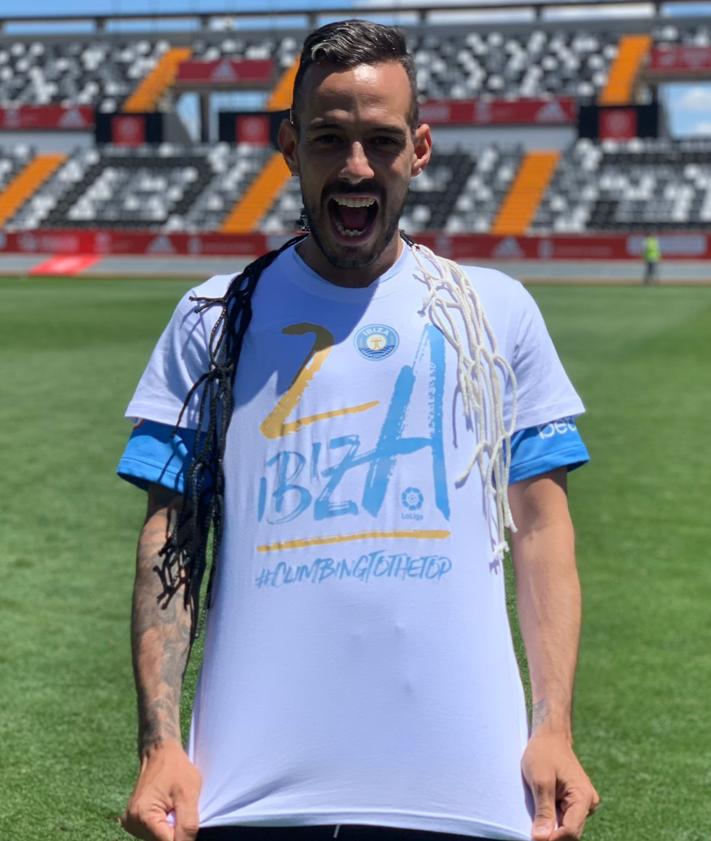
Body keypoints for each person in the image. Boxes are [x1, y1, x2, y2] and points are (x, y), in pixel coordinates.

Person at [117, 19, 600, 841]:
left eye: (379, 141)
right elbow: (172, 536)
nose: (354, 167)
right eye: (329, 139)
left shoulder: (494, 312)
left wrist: (552, 728)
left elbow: (542, 530)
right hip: (245, 799)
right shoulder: (213, 318)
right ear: (289, 144)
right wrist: (160, 744)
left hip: (468, 796)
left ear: (418, 149)